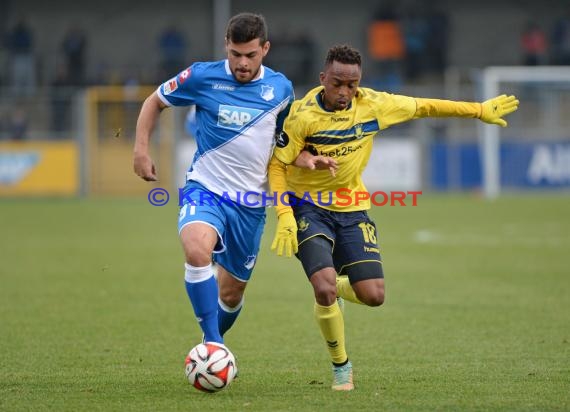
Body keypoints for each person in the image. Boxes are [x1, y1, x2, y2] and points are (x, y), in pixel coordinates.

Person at [268, 45, 518, 391]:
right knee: (323, 288)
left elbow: (425, 106)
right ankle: (341, 365)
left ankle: (335, 287)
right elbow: (278, 164)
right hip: (307, 206)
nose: (344, 92)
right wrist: (284, 215)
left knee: (373, 295)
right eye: (337, 83)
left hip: (353, 206)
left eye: (352, 84)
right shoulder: (301, 116)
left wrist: (478, 110)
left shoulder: (374, 105)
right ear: (323, 78)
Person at [133, 13, 294, 357]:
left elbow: (285, 140)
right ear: (226, 46)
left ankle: (212, 340)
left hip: (250, 203)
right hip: (205, 187)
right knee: (195, 248)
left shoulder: (281, 89)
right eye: (236, 54)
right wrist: (141, 149)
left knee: (232, 293)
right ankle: (213, 344)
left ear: (265, 49)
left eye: (250, 55)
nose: (242, 63)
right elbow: (155, 101)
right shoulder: (202, 76)